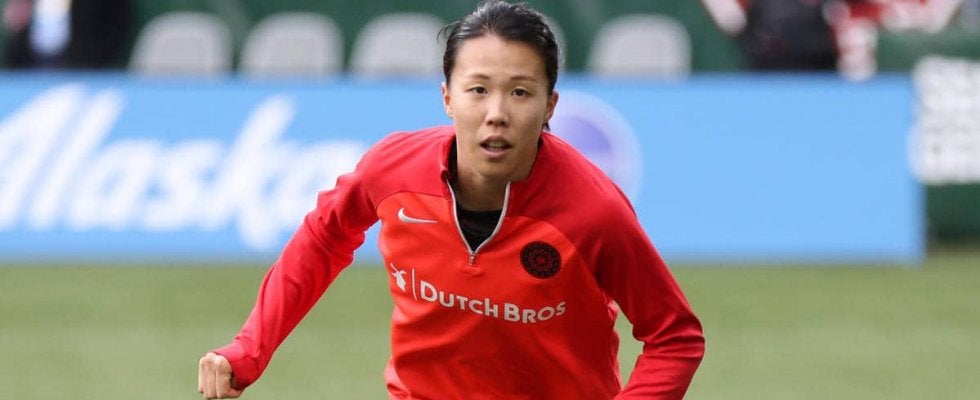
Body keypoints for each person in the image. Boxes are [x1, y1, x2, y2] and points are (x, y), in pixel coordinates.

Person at [197, 1, 704, 399]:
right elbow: (323, 237)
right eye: (478, 90)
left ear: (550, 105)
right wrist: (249, 349)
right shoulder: (392, 170)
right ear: (447, 97)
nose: (497, 113)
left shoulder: (594, 213)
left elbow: (675, 336)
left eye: (520, 93)